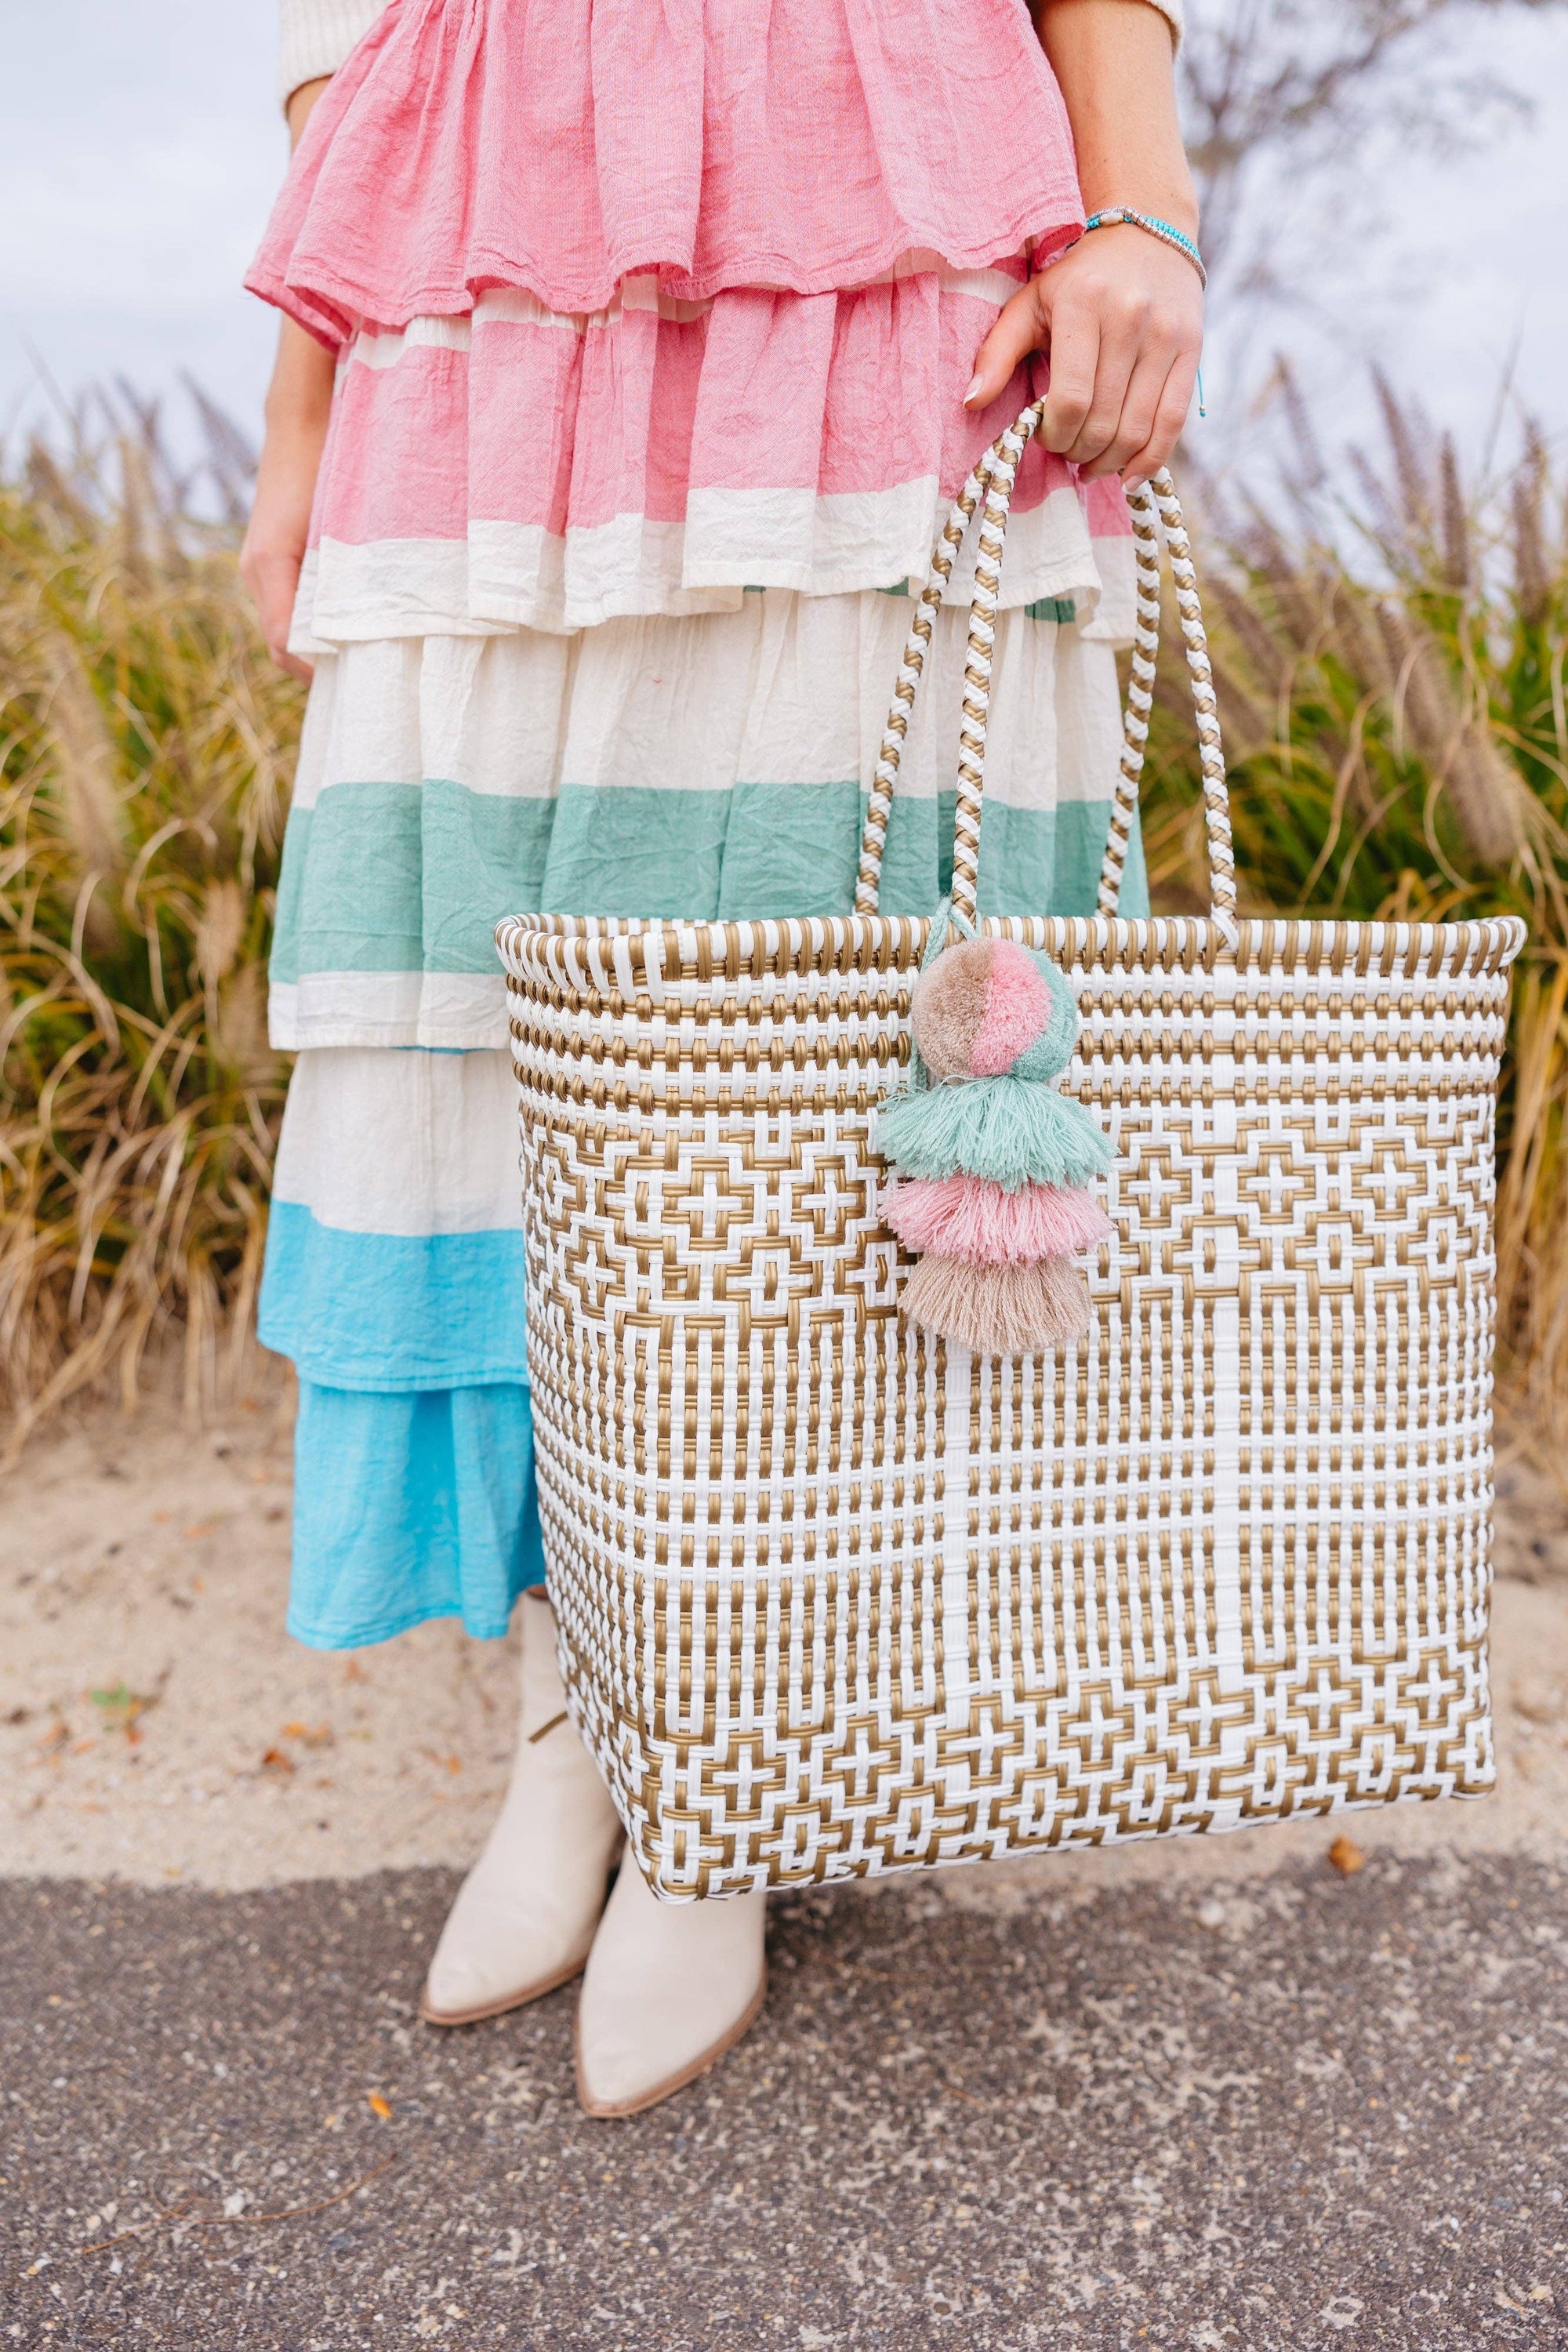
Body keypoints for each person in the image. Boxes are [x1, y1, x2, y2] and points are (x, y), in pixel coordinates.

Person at [243, 0, 1203, 2118]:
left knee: (805, 997)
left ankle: (732, 1743)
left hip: (874, 234)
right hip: (473, 270)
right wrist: (304, 403)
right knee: (494, 1014)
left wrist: (1137, 206)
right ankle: (574, 1717)